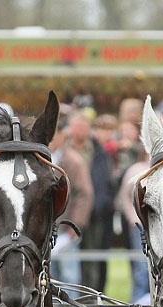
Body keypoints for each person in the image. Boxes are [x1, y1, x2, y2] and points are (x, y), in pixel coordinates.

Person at [66, 110, 115, 292]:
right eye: (77, 126)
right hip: (68, 213)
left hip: (95, 213)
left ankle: (91, 295)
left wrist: (102, 204)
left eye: (84, 127)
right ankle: (70, 296)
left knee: (93, 257)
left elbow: (107, 182)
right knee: (68, 259)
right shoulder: (64, 151)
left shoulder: (98, 151)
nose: (80, 131)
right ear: (70, 129)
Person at [48, 114, 94, 294]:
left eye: (54, 135)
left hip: (66, 226)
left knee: (69, 271)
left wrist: (76, 224)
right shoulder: (42, 159)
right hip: (47, 227)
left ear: (61, 136)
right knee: (48, 271)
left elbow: (84, 194)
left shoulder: (73, 161)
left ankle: (71, 306)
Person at [117, 150, 151, 304]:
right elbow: (124, 196)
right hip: (139, 226)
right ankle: (138, 299)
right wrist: (132, 217)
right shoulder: (135, 170)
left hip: (157, 227)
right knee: (141, 264)